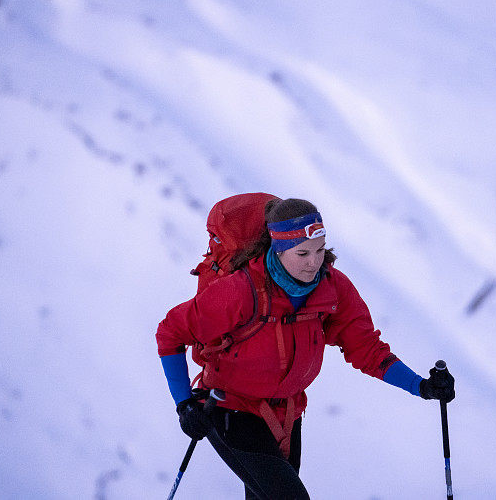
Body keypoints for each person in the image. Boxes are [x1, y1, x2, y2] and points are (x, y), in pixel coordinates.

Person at [156, 197, 455, 499]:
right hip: (230, 408)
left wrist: (422, 386)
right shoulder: (241, 291)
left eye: (320, 250)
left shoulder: (332, 286)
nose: (314, 262)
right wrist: (184, 404)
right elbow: (170, 333)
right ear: (278, 248)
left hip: (288, 414)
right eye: (302, 253)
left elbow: (366, 347)